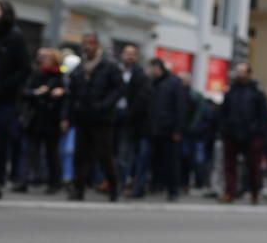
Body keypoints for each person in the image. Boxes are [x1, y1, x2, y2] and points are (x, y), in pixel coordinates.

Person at [64, 32, 123, 201]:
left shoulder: (108, 66)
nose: (87, 46)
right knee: (80, 155)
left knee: (104, 155)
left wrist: (104, 105)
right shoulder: (80, 67)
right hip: (83, 118)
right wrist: (69, 114)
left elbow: (118, 89)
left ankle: (113, 186)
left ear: (97, 45)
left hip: (102, 119)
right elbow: (72, 93)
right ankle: (78, 189)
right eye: (84, 43)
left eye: (90, 43)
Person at [0, 0, 29, 190]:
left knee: (2, 140)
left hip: (6, 99)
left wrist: (4, 86)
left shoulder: (15, 38)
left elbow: (24, 69)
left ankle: (0, 176)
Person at [218, 62, 267, 204]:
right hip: (232, 134)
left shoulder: (257, 92)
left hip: (252, 135)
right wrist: (225, 129)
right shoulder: (231, 90)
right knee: (229, 165)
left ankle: (254, 193)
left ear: (248, 74)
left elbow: (263, 115)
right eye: (238, 72)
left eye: (242, 72)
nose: (239, 74)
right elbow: (223, 112)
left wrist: (257, 131)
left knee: (253, 166)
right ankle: (230, 192)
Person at [19, 47, 66, 194]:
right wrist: (36, 92)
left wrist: (61, 94)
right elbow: (24, 92)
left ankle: (54, 182)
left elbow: (68, 99)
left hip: (52, 120)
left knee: (51, 153)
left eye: (47, 58)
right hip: (36, 118)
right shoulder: (36, 75)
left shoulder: (61, 77)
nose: (44, 60)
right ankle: (24, 180)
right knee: (30, 151)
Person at [146, 58, 187, 201]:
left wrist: (177, 130)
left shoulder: (173, 83)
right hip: (156, 129)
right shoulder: (153, 83)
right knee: (155, 160)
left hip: (169, 129)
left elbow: (180, 108)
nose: (151, 71)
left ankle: (173, 190)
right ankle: (156, 185)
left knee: (171, 162)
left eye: (152, 68)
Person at [115, 45, 150, 198]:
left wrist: (130, 113)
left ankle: (121, 184)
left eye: (132, 54)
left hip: (130, 121)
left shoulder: (141, 75)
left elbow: (142, 99)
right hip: (112, 117)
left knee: (125, 154)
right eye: (126, 53)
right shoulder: (116, 72)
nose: (128, 57)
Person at [180, 72, 206, 191]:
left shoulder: (195, 96)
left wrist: (192, 127)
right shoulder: (178, 94)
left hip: (192, 133)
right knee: (182, 158)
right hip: (181, 131)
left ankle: (194, 182)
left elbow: (199, 114)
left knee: (192, 159)